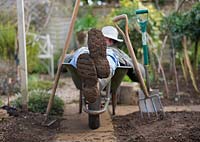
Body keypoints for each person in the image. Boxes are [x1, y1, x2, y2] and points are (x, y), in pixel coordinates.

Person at [65, 26, 145, 103]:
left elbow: (139, 70)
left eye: (110, 40)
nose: (107, 42)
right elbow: (139, 72)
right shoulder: (118, 53)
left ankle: (95, 82)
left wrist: (64, 60)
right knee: (85, 55)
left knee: (106, 57)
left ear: (113, 42)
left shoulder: (116, 52)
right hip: (88, 58)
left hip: (93, 63)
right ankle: (97, 83)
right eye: (104, 39)